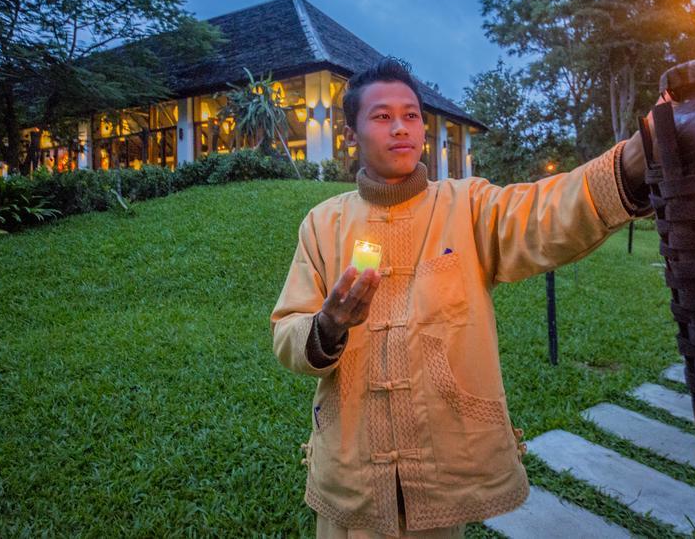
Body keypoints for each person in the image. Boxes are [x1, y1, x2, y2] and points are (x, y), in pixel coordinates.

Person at [271, 56, 652, 538]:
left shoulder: (467, 205)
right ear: (351, 134)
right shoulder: (322, 224)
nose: (401, 128)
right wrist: (329, 325)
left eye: (411, 115)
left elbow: (544, 214)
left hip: (441, 468)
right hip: (350, 472)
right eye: (382, 116)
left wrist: (636, 161)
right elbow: (287, 328)